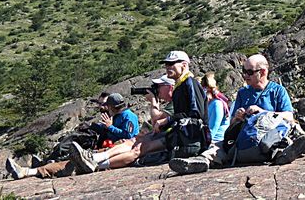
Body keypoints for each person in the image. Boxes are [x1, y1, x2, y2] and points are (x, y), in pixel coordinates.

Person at [169, 54, 305, 174]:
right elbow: (231, 126)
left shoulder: (278, 91)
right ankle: (200, 162)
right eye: (244, 71)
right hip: (246, 137)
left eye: (249, 72)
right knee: (219, 147)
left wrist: (263, 112)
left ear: (263, 72)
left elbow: (289, 117)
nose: (245, 75)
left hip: (269, 136)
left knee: (281, 140)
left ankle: (284, 154)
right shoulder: (243, 93)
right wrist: (236, 117)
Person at [71, 50, 208, 172]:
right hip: (179, 133)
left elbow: (196, 114)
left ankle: (96, 165)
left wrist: (167, 120)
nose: (167, 67)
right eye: (166, 64)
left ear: (184, 65)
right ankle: (95, 157)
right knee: (134, 141)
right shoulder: (180, 85)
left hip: (189, 138)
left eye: (171, 64)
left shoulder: (190, 82)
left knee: (139, 148)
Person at [5, 93, 134, 180]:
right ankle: (35, 168)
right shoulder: (116, 116)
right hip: (106, 147)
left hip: (113, 149)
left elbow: (129, 135)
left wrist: (110, 127)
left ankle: (32, 171)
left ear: (112, 107)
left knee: (69, 164)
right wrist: (95, 126)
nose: (104, 108)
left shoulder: (129, 117)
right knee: (71, 156)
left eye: (106, 106)